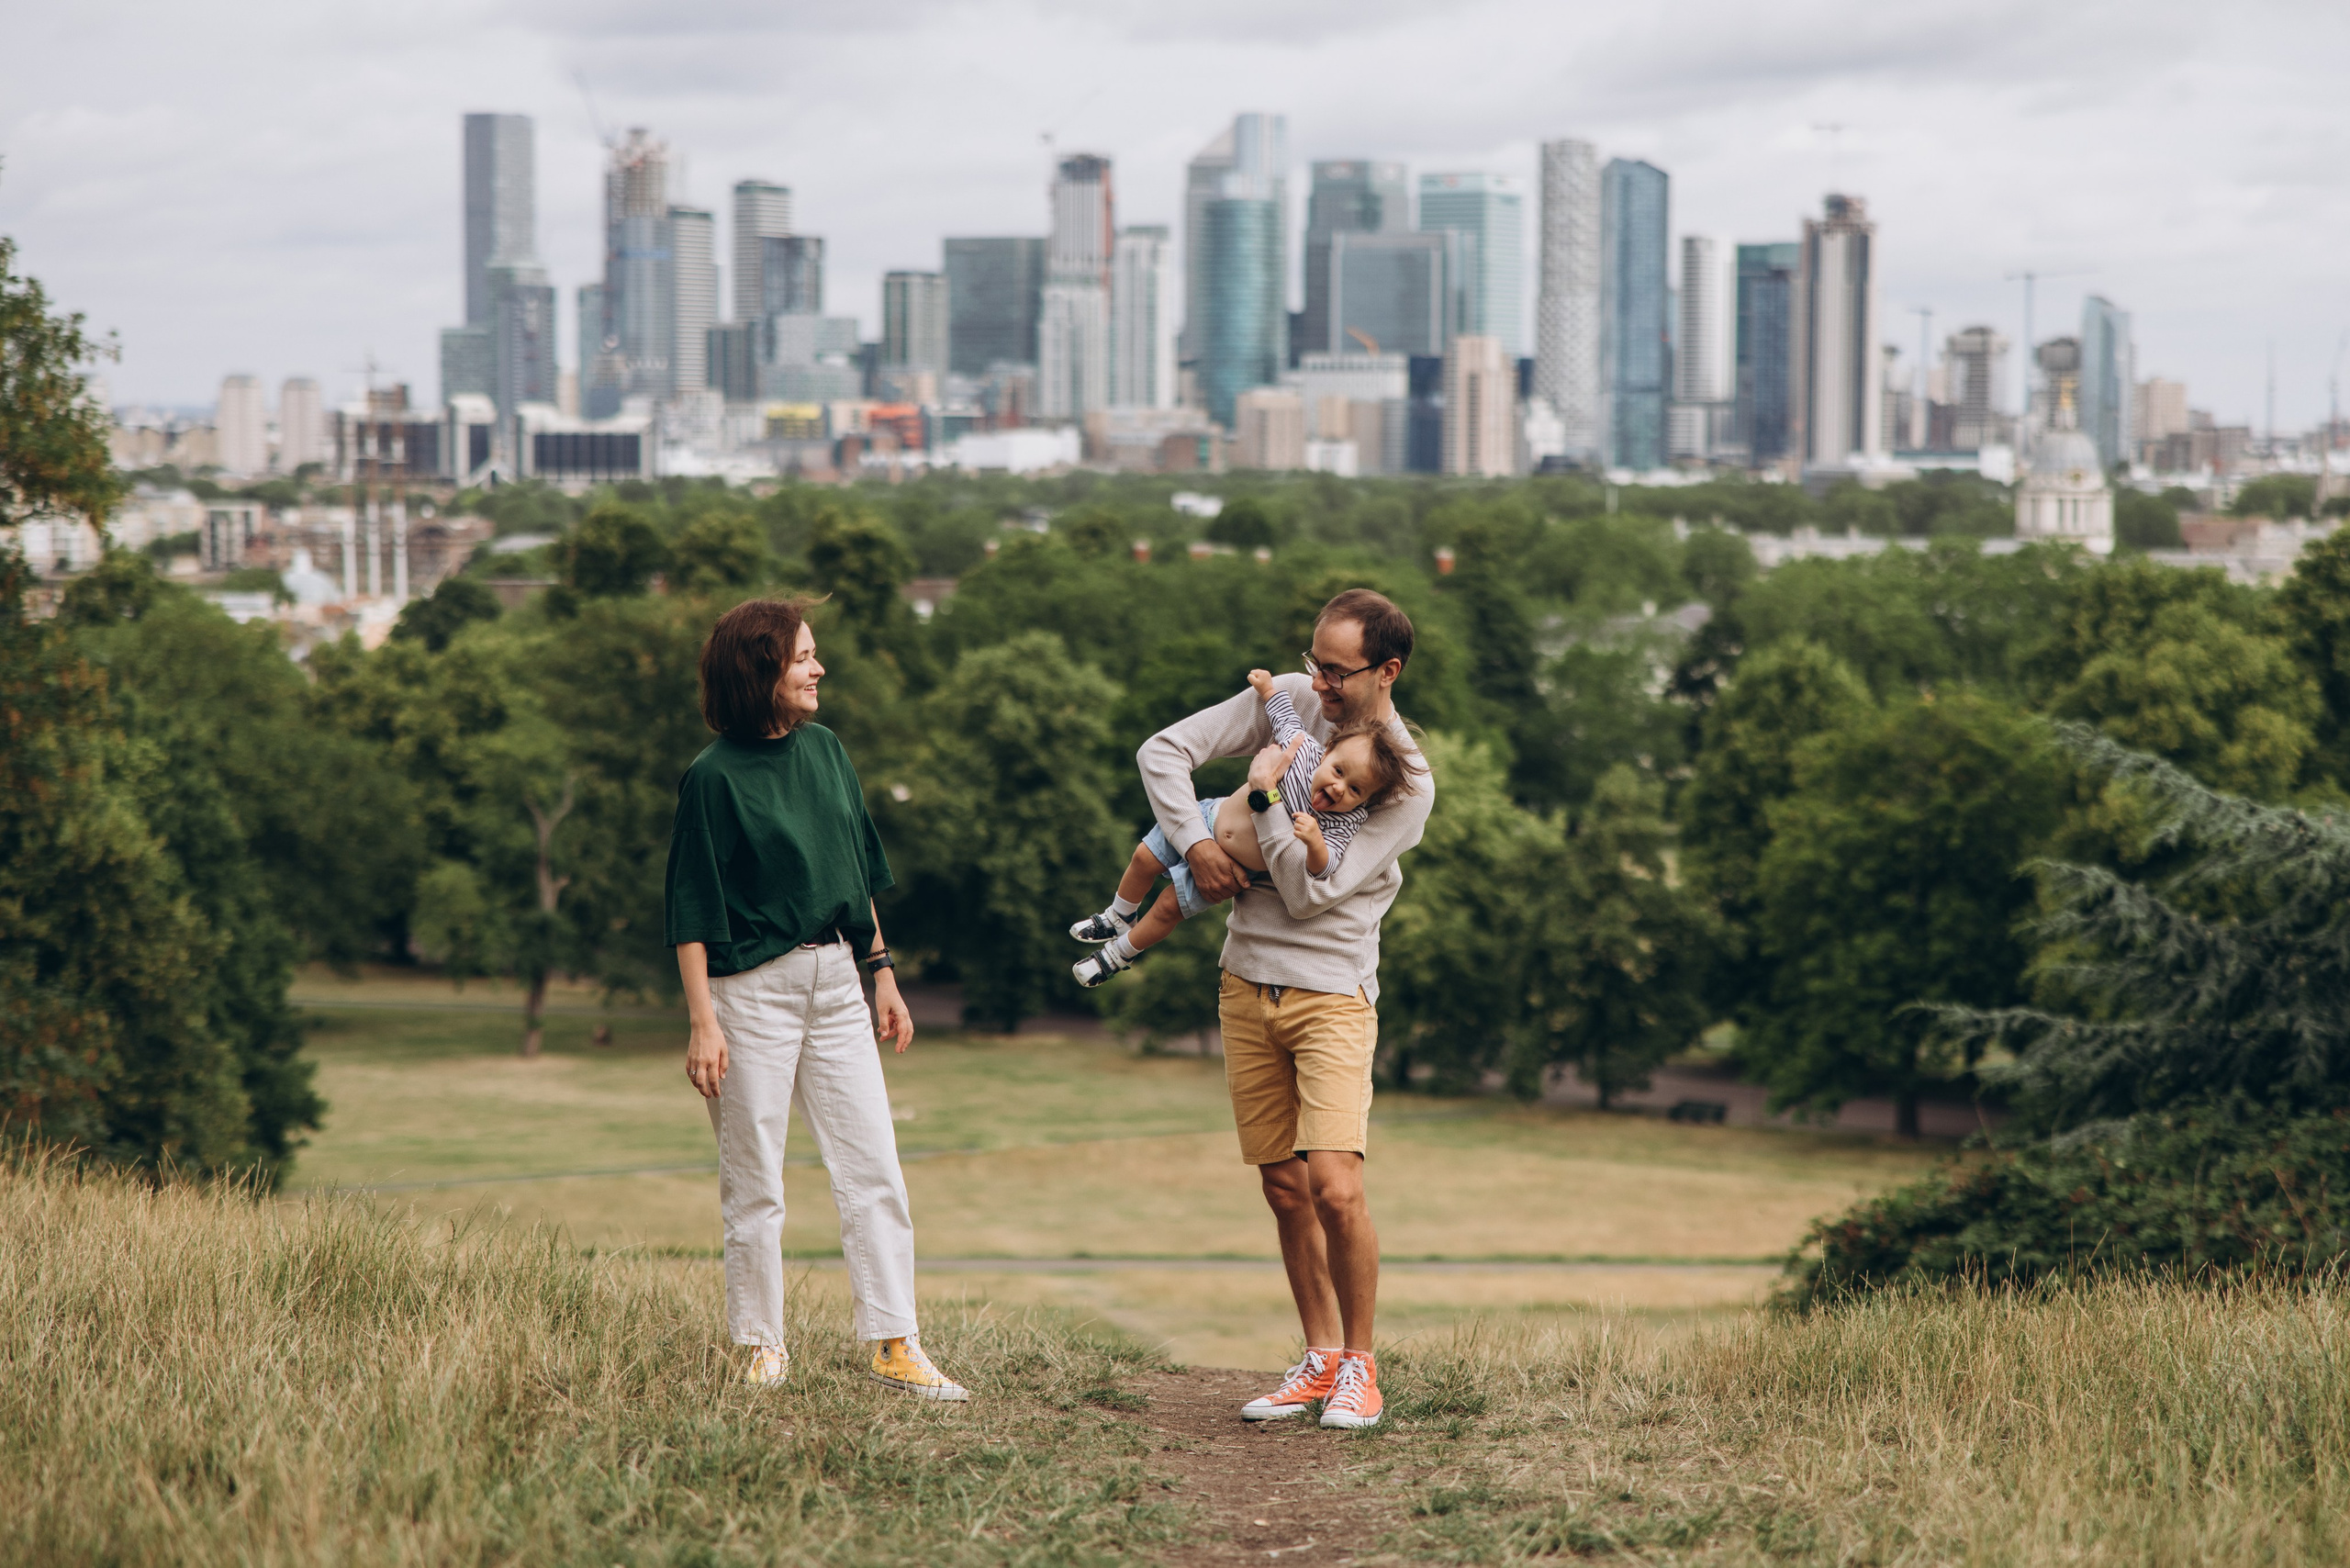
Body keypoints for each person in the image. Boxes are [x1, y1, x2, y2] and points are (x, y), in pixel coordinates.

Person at [1135, 588, 1434, 1430]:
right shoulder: (1292, 703)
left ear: (1387, 671)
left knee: (1336, 1188)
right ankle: (1317, 1358)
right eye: (1314, 663)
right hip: (1244, 981)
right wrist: (1194, 842)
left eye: (1335, 672)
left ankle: (1361, 1370)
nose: (1318, 683)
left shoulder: (1407, 783)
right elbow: (1164, 752)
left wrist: (1261, 803)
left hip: (1333, 995)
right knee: (1283, 1188)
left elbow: (1311, 897)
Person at [665, 598, 968, 1400]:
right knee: (755, 1182)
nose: (818, 668)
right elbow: (691, 910)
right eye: (802, 656)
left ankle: (896, 1343)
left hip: (837, 982)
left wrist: (884, 973)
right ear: (760, 669)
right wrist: (703, 1023)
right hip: (747, 996)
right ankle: (762, 1347)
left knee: (874, 1168)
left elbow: (856, 870)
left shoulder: (828, 751)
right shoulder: (711, 778)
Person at [1070, 667, 1423, 988]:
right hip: (1207, 817)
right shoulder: (1302, 749)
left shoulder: (1346, 820)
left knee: (1167, 909)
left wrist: (1314, 843)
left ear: (1365, 801)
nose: (1339, 788)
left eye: (1356, 790)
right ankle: (1119, 914)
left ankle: (1117, 955)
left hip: (1237, 869)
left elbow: (1326, 867)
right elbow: (1284, 716)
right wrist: (1268, 688)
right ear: (1326, 751)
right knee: (1144, 859)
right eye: (1339, 771)